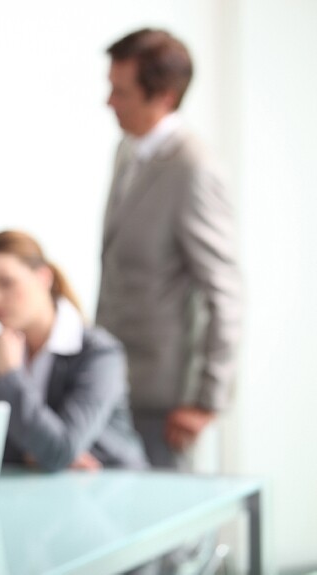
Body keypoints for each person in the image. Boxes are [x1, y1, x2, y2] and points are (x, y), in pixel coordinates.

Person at [97, 28, 242, 471]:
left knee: (172, 533)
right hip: (117, 386)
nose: (109, 102)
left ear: (162, 97)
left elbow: (226, 293)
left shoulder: (193, 169)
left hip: (166, 402)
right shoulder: (128, 150)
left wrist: (205, 401)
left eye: (120, 92)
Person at [0, 231, 147, 472]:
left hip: (115, 489)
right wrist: (36, 452)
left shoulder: (100, 354)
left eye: (5, 283)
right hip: (50, 493)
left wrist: (10, 376)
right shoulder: (7, 349)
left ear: (43, 277)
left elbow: (59, 450)